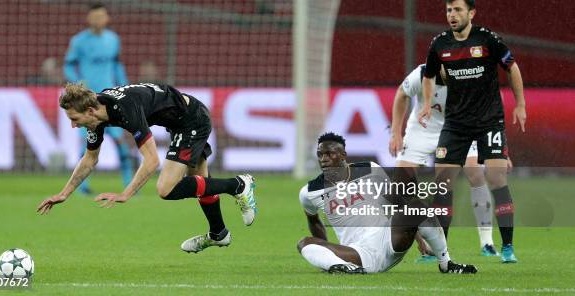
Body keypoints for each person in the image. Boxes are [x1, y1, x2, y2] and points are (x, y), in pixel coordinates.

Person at [36, 83, 258, 252]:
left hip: (191, 120)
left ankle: (238, 184)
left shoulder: (124, 109)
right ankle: (218, 233)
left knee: (166, 189)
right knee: (201, 182)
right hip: (179, 121)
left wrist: (126, 194)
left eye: (74, 118)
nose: (73, 125)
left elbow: (152, 161)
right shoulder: (97, 113)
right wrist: (64, 194)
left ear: (90, 111)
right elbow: (90, 159)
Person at [418, 0, 526, 263]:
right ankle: (439, 251)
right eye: (448, 11)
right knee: (442, 183)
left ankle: (508, 247)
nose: (452, 15)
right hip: (456, 124)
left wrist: (520, 104)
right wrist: (426, 103)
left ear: (471, 13)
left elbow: (512, 67)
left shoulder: (488, 39)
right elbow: (429, 74)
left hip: (489, 121)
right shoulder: (440, 44)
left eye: (457, 10)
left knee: (498, 179)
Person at [297, 132, 477, 274]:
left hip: (390, 242)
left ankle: (446, 264)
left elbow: (396, 202)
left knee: (417, 206)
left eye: (329, 154)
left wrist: (419, 238)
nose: (323, 159)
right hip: (357, 254)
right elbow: (314, 221)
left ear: (343, 155)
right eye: (320, 154)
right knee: (304, 242)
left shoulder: (370, 169)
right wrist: (327, 253)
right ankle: (340, 266)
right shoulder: (309, 192)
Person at [390, 64, 501, 257]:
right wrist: (395, 133)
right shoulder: (422, 73)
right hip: (422, 129)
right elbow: (401, 94)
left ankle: (487, 242)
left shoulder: (468, 77)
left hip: (458, 130)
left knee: (475, 173)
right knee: (401, 184)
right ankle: (423, 242)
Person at [63, 2, 132, 195]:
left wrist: (125, 87)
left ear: (107, 18)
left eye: (101, 16)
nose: (98, 20)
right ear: (89, 19)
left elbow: (117, 66)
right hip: (88, 103)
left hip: (110, 100)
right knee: (88, 145)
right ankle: (81, 187)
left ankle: (129, 184)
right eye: (95, 16)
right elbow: (68, 66)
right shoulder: (79, 41)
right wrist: (79, 84)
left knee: (121, 145)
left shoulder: (113, 39)